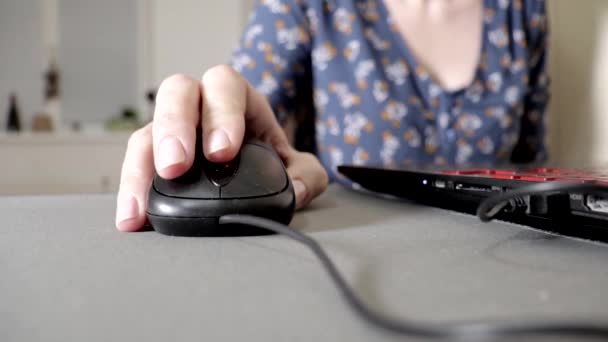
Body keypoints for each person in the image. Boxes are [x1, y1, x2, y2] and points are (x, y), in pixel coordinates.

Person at [115, 0, 549, 232]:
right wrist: (207, 120)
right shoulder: (309, 6)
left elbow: (534, 162)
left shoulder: (523, 9)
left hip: (501, 254)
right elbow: (247, 106)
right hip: (354, 248)